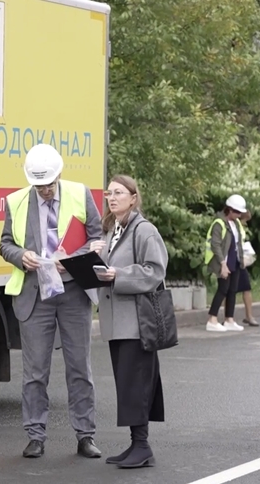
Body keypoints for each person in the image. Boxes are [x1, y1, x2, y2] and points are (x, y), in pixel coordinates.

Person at [0, 143, 104, 459]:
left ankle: (85, 435)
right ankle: (35, 435)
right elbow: (5, 244)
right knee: (34, 371)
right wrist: (22, 256)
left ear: (59, 176)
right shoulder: (16, 202)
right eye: (39, 185)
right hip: (35, 295)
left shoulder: (79, 193)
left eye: (49, 184)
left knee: (79, 368)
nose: (45, 190)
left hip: (73, 292)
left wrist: (72, 259)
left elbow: (97, 238)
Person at [90, 175, 167, 468]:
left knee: (136, 383)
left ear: (134, 198)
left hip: (136, 322)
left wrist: (118, 275)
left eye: (119, 193)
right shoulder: (113, 229)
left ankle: (142, 445)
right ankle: (137, 443)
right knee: (127, 383)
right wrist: (97, 257)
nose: (112, 197)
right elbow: (109, 268)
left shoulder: (144, 230)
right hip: (117, 321)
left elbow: (155, 271)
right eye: (110, 193)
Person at [204, 194, 246, 332]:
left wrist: (242, 259)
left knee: (232, 290)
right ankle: (212, 319)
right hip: (224, 261)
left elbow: (239, 242)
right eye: (237, 212)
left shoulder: (236, 223)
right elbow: (215, 245)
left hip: (235, 261)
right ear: (230, 209)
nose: (239, 215)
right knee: (223, 289)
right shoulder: (219, 223)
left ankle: (229, 319)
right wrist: (222, 264)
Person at [237, 210, 258, 327]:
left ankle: (249, 316)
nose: (245, 223)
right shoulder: (233, 225)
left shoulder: (239, 227)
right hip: (234, 260)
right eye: (245, 221)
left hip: (241, 260)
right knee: (229, 290)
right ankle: (228, 317)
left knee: (246, 288)